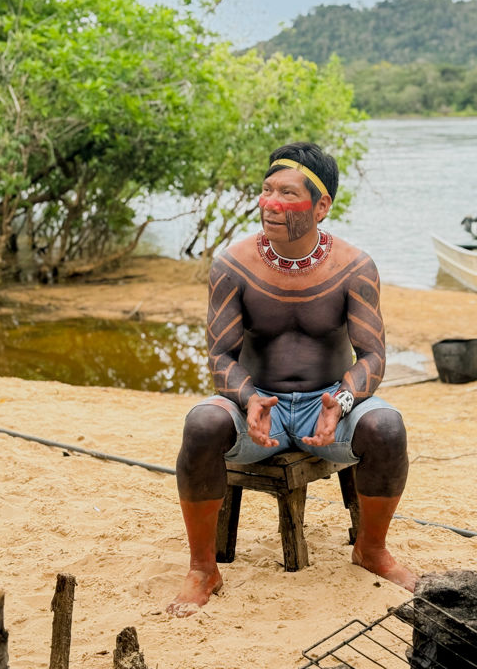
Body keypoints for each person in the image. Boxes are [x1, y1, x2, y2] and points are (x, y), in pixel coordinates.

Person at [167, 142, 416, 617]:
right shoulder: (234, 264)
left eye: (286, 193)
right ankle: (203, 568)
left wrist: (341, 400)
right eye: (265, 191)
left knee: (387, 426)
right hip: (258, 409)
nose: (270, 203)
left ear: (322, 206)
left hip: (329, 412)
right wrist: (249, 398)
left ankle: (372, 550)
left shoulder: (354, 267)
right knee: (200, 423)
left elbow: (374, 357)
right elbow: (220, 355)